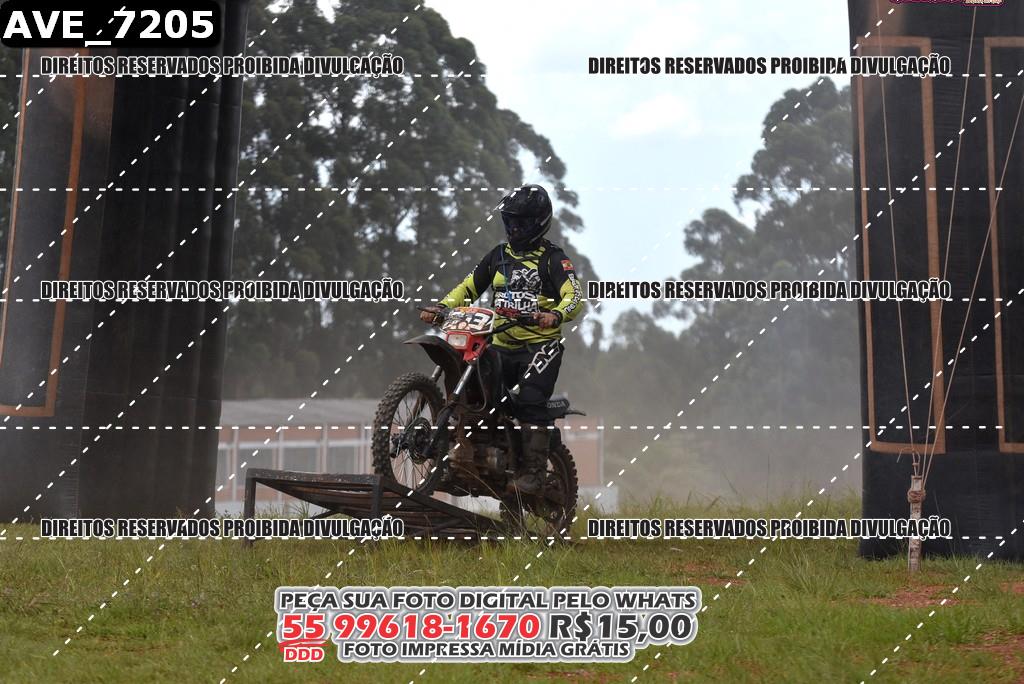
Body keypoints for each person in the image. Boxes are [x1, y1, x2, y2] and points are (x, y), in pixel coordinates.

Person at [419, 184, 584, 494]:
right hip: (499, 343)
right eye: (510, 221)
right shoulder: (498, 255)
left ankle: (534, 473)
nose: (514, 228)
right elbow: (468, 286)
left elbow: (574, 296)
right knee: (474, 393)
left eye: (521, 222)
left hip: (540, 347)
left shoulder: (553, 259)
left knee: (530, 400)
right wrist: (442, 307)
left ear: (538, 223)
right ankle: (460, 457)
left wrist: (556, 315)